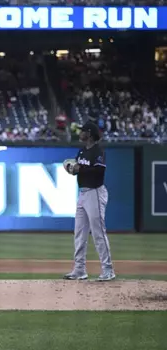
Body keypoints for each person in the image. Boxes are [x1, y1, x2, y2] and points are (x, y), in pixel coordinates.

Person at [63, 121, 116, 282]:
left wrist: (81, 169)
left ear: (90, 134)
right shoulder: (81, 151)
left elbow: (100, 171)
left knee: (98, 232)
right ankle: (79, 269)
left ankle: (108, 270)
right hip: (83, 193)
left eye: (83, 131)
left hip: (95, 192)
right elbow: (79, 172)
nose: (80, 133)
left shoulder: (97, 151)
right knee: (79, 233)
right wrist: (72, 169)